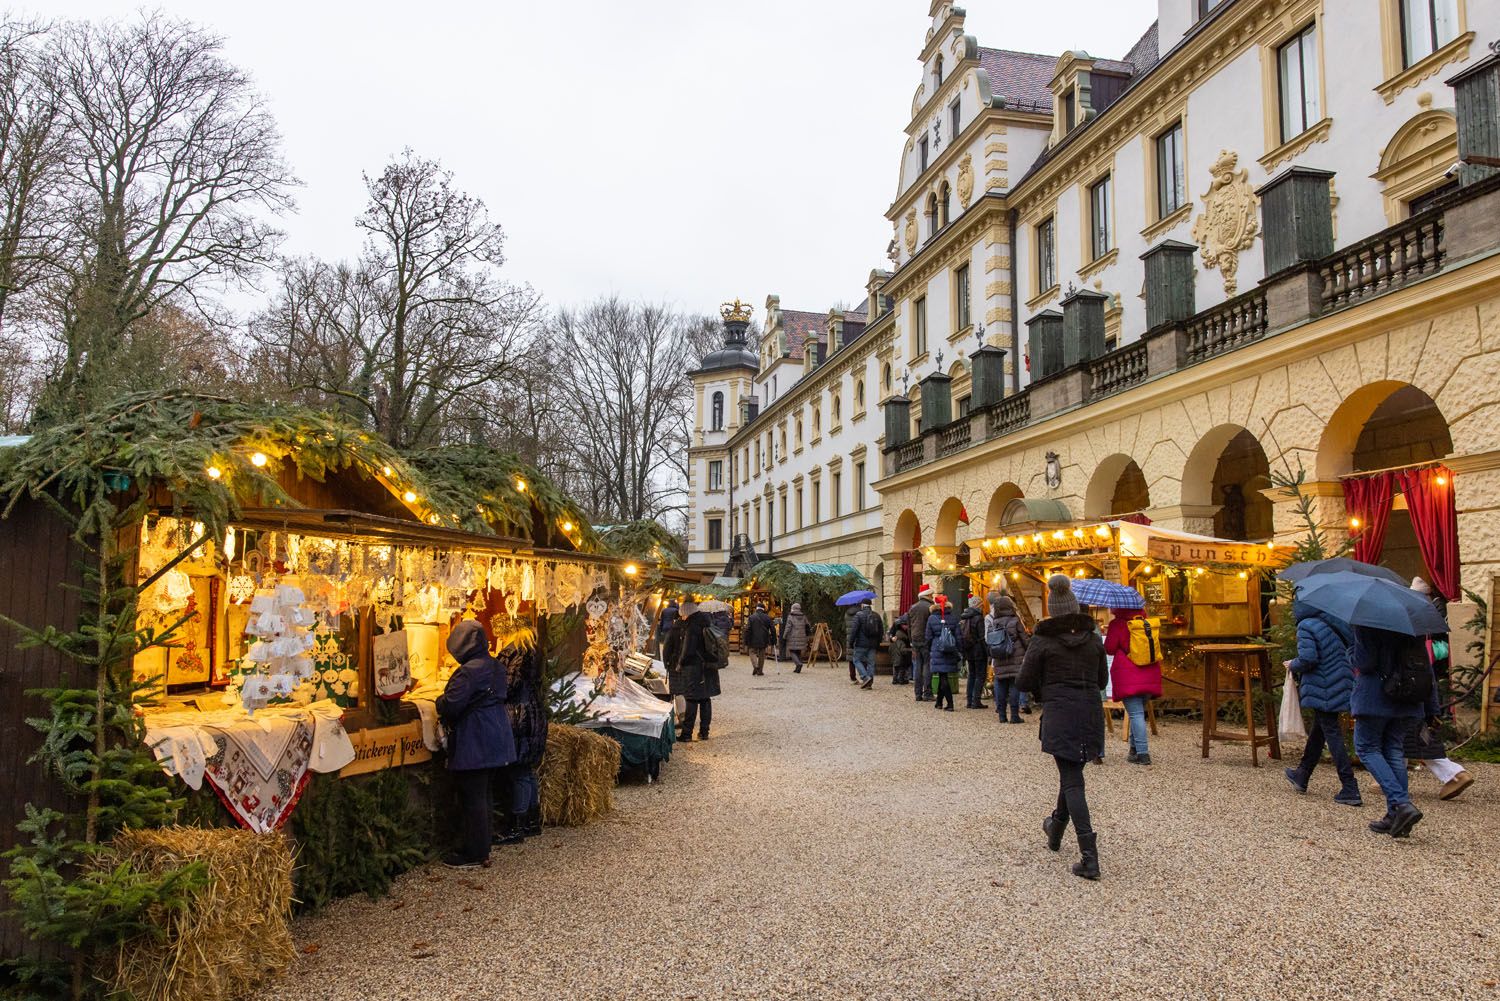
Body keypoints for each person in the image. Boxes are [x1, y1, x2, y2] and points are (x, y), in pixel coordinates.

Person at [1018, 575, 1107, 880]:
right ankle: (1055, 828)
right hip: (1090, 713)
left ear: (1052, 609)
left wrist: (1046, 686)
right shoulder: (1093, 639)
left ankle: (1089, 856)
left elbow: (1024, 681)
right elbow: (1102, 681)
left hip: (1060, 713)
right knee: (1071, 774)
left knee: (1072, 780)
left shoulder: (1043, 640)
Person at [436, 620, 517, 869]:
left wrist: (439, 701)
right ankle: (483, 848)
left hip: (476, 736)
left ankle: (474, 852)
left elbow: (452, 704)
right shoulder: (495, 665)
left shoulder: (469, 671)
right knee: (484, 793)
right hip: (497, 734)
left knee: (473, 796)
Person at [1350, 625, 1427, 838]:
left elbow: (1365, 663)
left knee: (1367, 748)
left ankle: (1401, 804)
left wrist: (1351, 652)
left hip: (1375, 696)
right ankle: (1396, 816)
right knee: (1393, 750)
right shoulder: (1411, 621)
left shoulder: (1367, 621)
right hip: (1408, 695)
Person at [1281, 601, 1360, 805]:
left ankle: (1350, 786)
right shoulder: (1334, 621)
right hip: (1341, 679)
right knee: (1321, 729)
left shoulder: (1306, 625)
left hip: (1324, 684)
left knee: (1331, 732)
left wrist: (1293, 664)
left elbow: (1308, 659)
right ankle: (1303, 774)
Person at [1406, 578, 1475, 801]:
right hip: (1423, 690)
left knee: (1417, 738)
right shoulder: (1424, 625)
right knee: (1413, 738)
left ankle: (1455, 774)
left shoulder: (1410, 632)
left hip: (1413, 693)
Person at [496, 635, 547, 844]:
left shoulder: (513, 653)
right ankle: (531, 821)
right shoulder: (533, 649)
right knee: (526, 771)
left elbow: (507, 686)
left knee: (518, 771)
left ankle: (517, 825)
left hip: (518, 717)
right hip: (531, 713)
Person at [1103, 608, 1164, 766]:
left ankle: (1143, 754)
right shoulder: (1146, 623)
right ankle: (1133, 750)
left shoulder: (1118, 624)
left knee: (1136, 714)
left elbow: (1109, 649)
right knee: (1137, 712)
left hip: (1128, 675)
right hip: (1150, 673)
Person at [665, 599, 722, 741]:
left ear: (687, 613)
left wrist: (680, 662)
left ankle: (686, 734)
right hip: (708, 666)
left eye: (683, 614)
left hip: (694, 667)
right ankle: (704, 732)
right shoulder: (706, 622)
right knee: (705, 698)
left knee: (691, 698)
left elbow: (688, 649)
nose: (682, 617)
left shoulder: (692, 626)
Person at [986, 592, 1028, 723]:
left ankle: (1002, 715)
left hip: (999, 656)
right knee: (1014, 685)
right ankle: (1014, 716)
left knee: (1000, 683)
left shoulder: (994, 622)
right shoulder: (1015, 620)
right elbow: (1024, 639)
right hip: (1015, 656)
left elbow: (990, 640)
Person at [925, 594, 962, 711]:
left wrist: (929, 648)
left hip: (937, 649)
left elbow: (928, 636)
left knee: (943, 677)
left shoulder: (931, 618)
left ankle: (950, 704)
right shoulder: (953, 617)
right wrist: (960, 650)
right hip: (950, 649)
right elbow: (958, 636)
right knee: (943, 676)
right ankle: (939, 702)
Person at [906, 585, 936, 702]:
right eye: (931, 595)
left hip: (915, 640)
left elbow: (909, 626)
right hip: (926, 640)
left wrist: (911, 641)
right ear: (928, 595)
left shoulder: (913, 607)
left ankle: (918, 693)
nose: (932, 596)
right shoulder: (930, 607)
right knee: (927, 666)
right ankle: (927, 692)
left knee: (917, 666)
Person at [960, 595, 989, 708]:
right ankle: (976, 700)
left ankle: (969, 700)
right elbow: (982, 637)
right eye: (981, 604)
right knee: (980, 675)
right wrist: (987, 651)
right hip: (978, 651)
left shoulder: (964, 617)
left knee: (971, 675)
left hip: (968, 650)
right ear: (978, 605)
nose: (982, 606)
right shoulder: (978, 617)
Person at [849, 599, 884, 690]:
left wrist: (851, 642)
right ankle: (870, 682)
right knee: (871, 663)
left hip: (861, 643)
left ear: (862, 605)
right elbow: (881, 631)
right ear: (870, 605)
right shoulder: (876, 615)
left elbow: (854, 631)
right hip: (873, 644)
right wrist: (878, 643)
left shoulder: (858, 615)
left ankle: (865, 677)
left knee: (856, 660)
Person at [743, 603, 777, 676]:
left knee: (752, 652)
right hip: (764, 639)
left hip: (753, 639)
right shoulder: (767, 617)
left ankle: (755, 666)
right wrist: (774, 639)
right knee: (762, 654)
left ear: (756, 608)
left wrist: (746, 640)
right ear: (763, 609)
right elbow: (773, 629)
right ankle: (760, 671)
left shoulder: (751, 617)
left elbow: (748, 629)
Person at [781, 602, 810, 673]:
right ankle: (798, 668)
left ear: (793, 609)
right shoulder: (803, 616)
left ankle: (798, 664)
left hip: (792, 637)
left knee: (792, 651)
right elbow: (808, 625)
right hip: (802, 637)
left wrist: (784, 637)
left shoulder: (790, 616)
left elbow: (788, 628)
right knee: (798, 651)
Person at [888, 615, 912, 685]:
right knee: (900, 664)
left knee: (898, 664)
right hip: (899, 647)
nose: (906, 626)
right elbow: (891, 634)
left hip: (901, 647)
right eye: (905, 625)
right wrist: (891, 638)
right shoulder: (896, 626)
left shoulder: (909, 625)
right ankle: (900, 679)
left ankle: (897, 679)